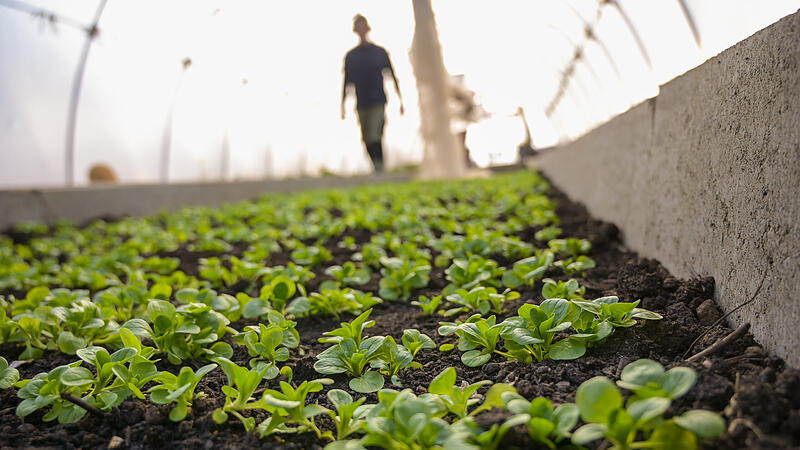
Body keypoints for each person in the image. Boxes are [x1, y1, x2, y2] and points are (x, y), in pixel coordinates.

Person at [341, 14, 404, 172]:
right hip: (362, 102)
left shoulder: (380, 52)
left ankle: (379, 167)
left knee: (376, 134)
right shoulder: (351, 56)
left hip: (378, 100)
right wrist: (342, 105)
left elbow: (393, 75)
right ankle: (377, 165)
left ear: (367, 28)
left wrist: (401, 99)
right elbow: (346, 82)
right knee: (366, 138)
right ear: (356, 30)